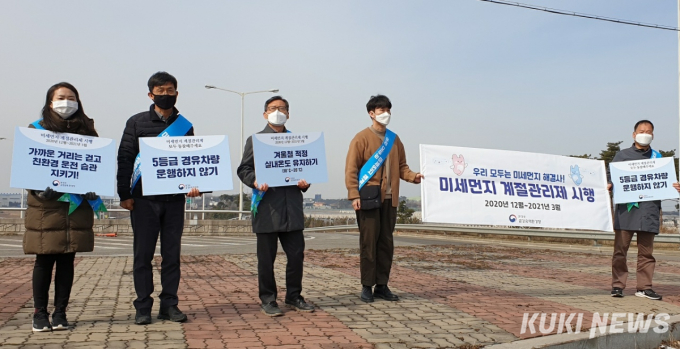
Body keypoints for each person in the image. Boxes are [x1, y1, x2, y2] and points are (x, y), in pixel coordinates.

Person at [117, 72, 201, 325]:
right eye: (160, 90)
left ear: (177, 92)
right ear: (150, 94)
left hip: (175, 201)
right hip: (143, 200)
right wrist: (124, 194)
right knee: (142, 255)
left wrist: (195, 185)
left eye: (170, 90)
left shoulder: (185, 126)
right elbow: (125, 158)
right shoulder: (136, 122)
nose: (166, 95)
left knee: (172, 256)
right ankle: (143, 306)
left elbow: (190, 161)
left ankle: (170, 305)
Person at [24, 82, 99, 332]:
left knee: (68, 260)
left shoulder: (87, 130)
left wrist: (93, 188)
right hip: (46, 207)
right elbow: (27, 167)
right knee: (44, 261)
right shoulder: (36, 130)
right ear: (50, 102)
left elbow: (96, 165)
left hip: (76, 205)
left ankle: (60, 313)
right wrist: (37, 191)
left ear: (78, 102)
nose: (66, 102)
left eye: (71, 98)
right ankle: (39, 314)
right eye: (61, 97)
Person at [237, 96, 315, 316]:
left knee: (296, 255)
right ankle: (268, 299)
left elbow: (306, 169)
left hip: (293, 208)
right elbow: (243, 169)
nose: (277, 112)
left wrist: (305, 182)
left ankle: (294, 295)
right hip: (266, 207)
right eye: (273, 108)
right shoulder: (256, 140)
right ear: (264, 114)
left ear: (288, 114)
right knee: (266, 259)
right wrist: (254, 180)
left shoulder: (298, 141)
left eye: (282, 108)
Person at [345, 95, 423, 303]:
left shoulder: (394, 139)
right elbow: (351, 169)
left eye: (387, 110)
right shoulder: (361, 138)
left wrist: (413, 177)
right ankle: (366, 286)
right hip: (369, 198)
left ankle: (382, 285)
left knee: (386, 243)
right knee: (368, 243)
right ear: (371, 113)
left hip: (390, 200)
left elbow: (402, 167)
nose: (385, 114)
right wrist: (354, 194)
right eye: (381, 110)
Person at [608, 120, 680, 300]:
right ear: (634, 134)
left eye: (649, 131)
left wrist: (675, 187)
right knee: (620, 251)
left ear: (653, 135)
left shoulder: (659, 158)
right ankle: (618, 286)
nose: (645, 133)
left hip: (649, 212)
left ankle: (644, 287)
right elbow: (610, 178)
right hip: (626, 212)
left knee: (646, 253)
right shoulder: (622, 156)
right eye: (642, 131)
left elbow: (666, 182)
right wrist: (609, 184)